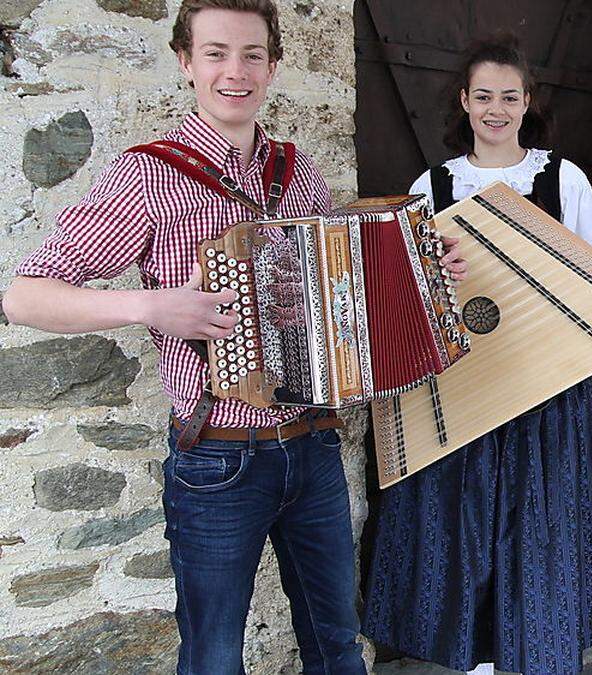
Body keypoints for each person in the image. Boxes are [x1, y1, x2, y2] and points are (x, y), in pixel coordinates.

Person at [1, 2, 465, 672]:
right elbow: (26, 294)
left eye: (251, 55)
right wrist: (154, 305)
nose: (234, 71)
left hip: (313, 447)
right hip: (217, 460)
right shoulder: (150, 176)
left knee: (337, 646)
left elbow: (343, 284)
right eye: (216, 53)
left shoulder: (296, 172)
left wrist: (426, 269)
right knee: (215, 656)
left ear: (273, 65)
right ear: (186, 62)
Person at [361, 37, 592, 675]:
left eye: (509, 96)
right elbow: (407, 285)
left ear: (527, 102)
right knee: (467, 519)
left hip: (551, 381)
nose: (496, 109)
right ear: (464, 101)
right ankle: (478, 656)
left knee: (545, 520)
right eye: (484, 96)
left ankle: (539, 647)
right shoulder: (436, 183)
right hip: (466, 383)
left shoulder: (562, 179)